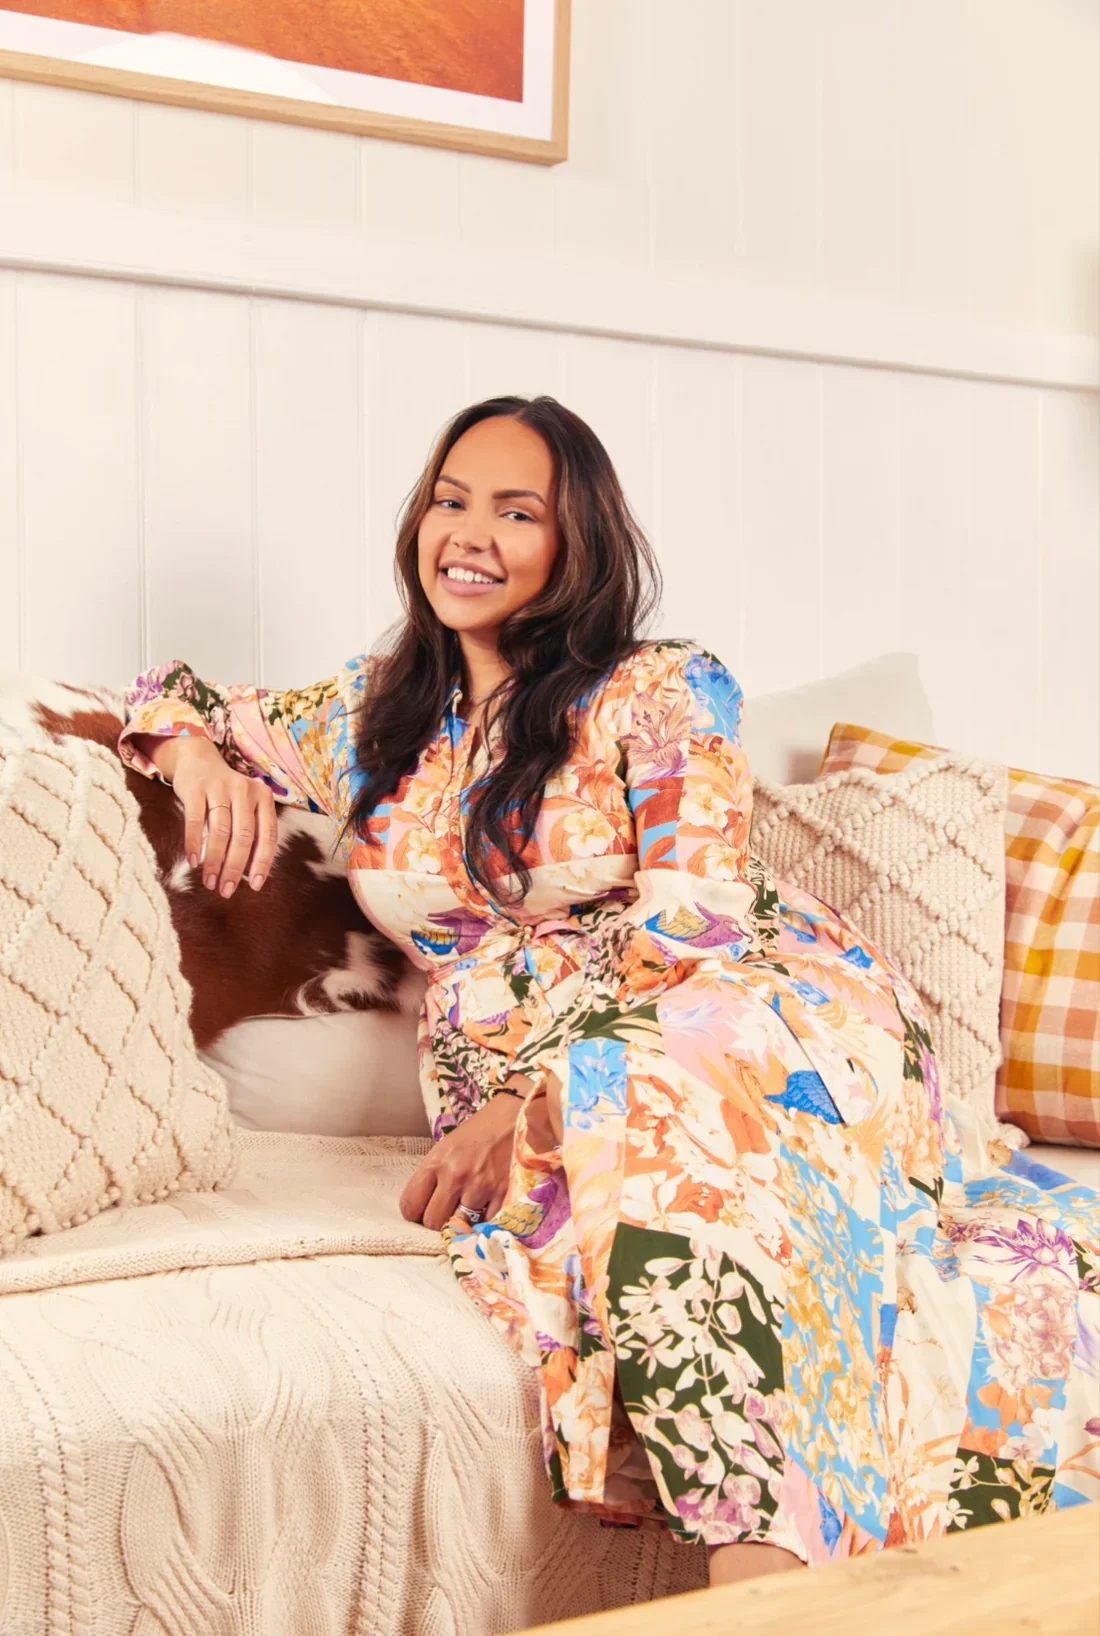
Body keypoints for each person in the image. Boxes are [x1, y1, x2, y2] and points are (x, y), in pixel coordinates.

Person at [120, 395, 1097, 1587]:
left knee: (652, 1115)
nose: (467, 534)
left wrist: (530, 1103)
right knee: (644, 1172)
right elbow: (169, 692)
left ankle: (760, 1580)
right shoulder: (374, 718)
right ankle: (776, 1575)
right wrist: (187, 751)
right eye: (450, 499)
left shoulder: (662, 688)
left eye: (514, 510)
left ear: (573, 542)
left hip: (735, 1009)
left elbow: (696, 924)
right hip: (541, 1064)